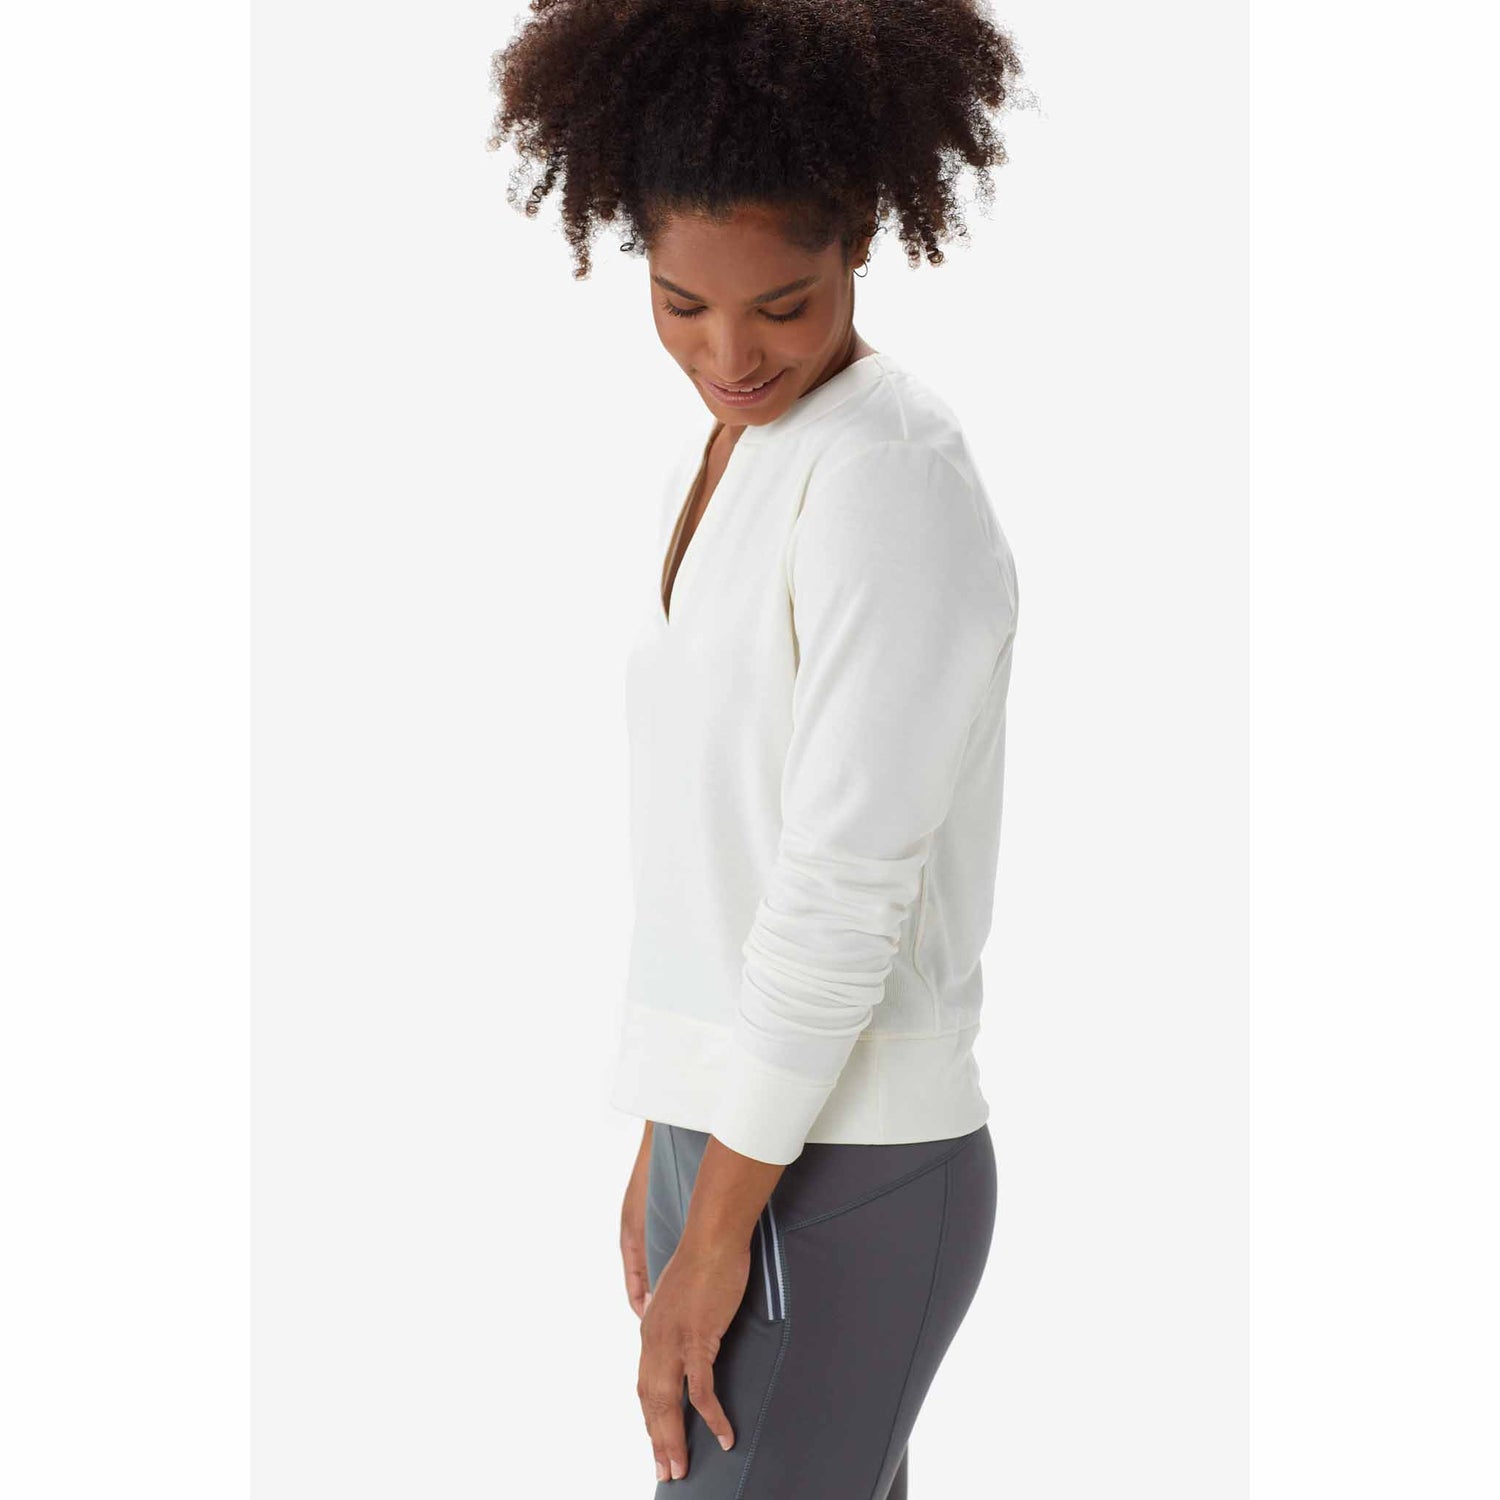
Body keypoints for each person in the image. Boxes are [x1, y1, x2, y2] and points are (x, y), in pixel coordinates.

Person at [490, 2, 1028, 1494]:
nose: (729, 354)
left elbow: (841, 885)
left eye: (783, 307)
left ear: (861, 238)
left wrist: (717, 1220)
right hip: (739, 1139)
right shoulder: (746, 445)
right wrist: (669, 1132)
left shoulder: (886, 478)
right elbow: (717, 849)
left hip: (840, 1166)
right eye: (680, 304)